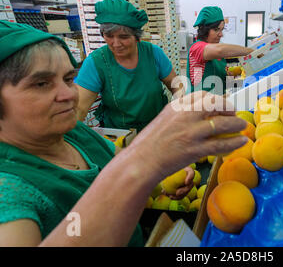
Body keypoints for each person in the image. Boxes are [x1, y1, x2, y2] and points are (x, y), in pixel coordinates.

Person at [0, 21, 248, 246]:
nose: (67, 95)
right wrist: (146, 159)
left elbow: (119, 158)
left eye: (68, 79)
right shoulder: (9, 188)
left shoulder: (75, 134)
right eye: (41, 84)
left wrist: (161, 178)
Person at [76, 0, 182, 132]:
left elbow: (176, 85)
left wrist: (180, 109)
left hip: (158, 129)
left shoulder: (153, 53)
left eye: (124, 37)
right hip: (121, 135)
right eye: (109, 36)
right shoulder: (96, 62)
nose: (116, 43)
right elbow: (79, 109)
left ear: (137, 37)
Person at [187, 6, 254, 95]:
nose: (221, 34)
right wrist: (253, 52)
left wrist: (247, 84)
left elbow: (222, 84)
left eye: (222, 30)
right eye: (216, 30)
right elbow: (220, 50)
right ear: (204, 30)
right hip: (200, 105)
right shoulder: (196, 48)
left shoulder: (216, 54)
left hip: (217, 102)